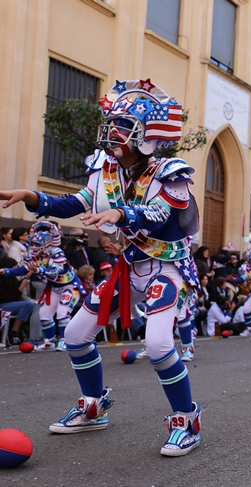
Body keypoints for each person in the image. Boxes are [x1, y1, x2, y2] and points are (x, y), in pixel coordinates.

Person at [0, 79, 202, 456]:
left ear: (146, 133)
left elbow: (162, 216)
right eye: (113, 122)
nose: (112, 130)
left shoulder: (170, 171)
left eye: (123, 124)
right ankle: (93, 406)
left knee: (158, 345)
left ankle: (186, 419)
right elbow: (72, 203)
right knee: (76, 335)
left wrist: (122, 212)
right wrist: (32, 197)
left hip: (165, 269)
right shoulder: (103, 169)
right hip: (129, 269)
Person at [0, 222, 85, 351]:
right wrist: (5, 271)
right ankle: (49, 341)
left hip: (69, 286)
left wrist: (39, 270)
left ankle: (65, 340)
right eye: (32, 243)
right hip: (53, 288)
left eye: (36, 244)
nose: (33, 247)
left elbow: (58, 271)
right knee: (44, 314)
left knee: (62, 313)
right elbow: (23, 270)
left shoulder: (57, 253)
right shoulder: (35, 255)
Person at [0, 257, 36, 345]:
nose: (16, 269)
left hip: (11, 304)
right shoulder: (1, 280)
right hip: (2, 305)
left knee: (30, 306)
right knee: (28, 305)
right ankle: (14, 332)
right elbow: (8, 298)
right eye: (15, 267)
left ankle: (19, 332)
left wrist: (26, 277)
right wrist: (21, 287)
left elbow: (15, 297)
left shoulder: (13, 279)